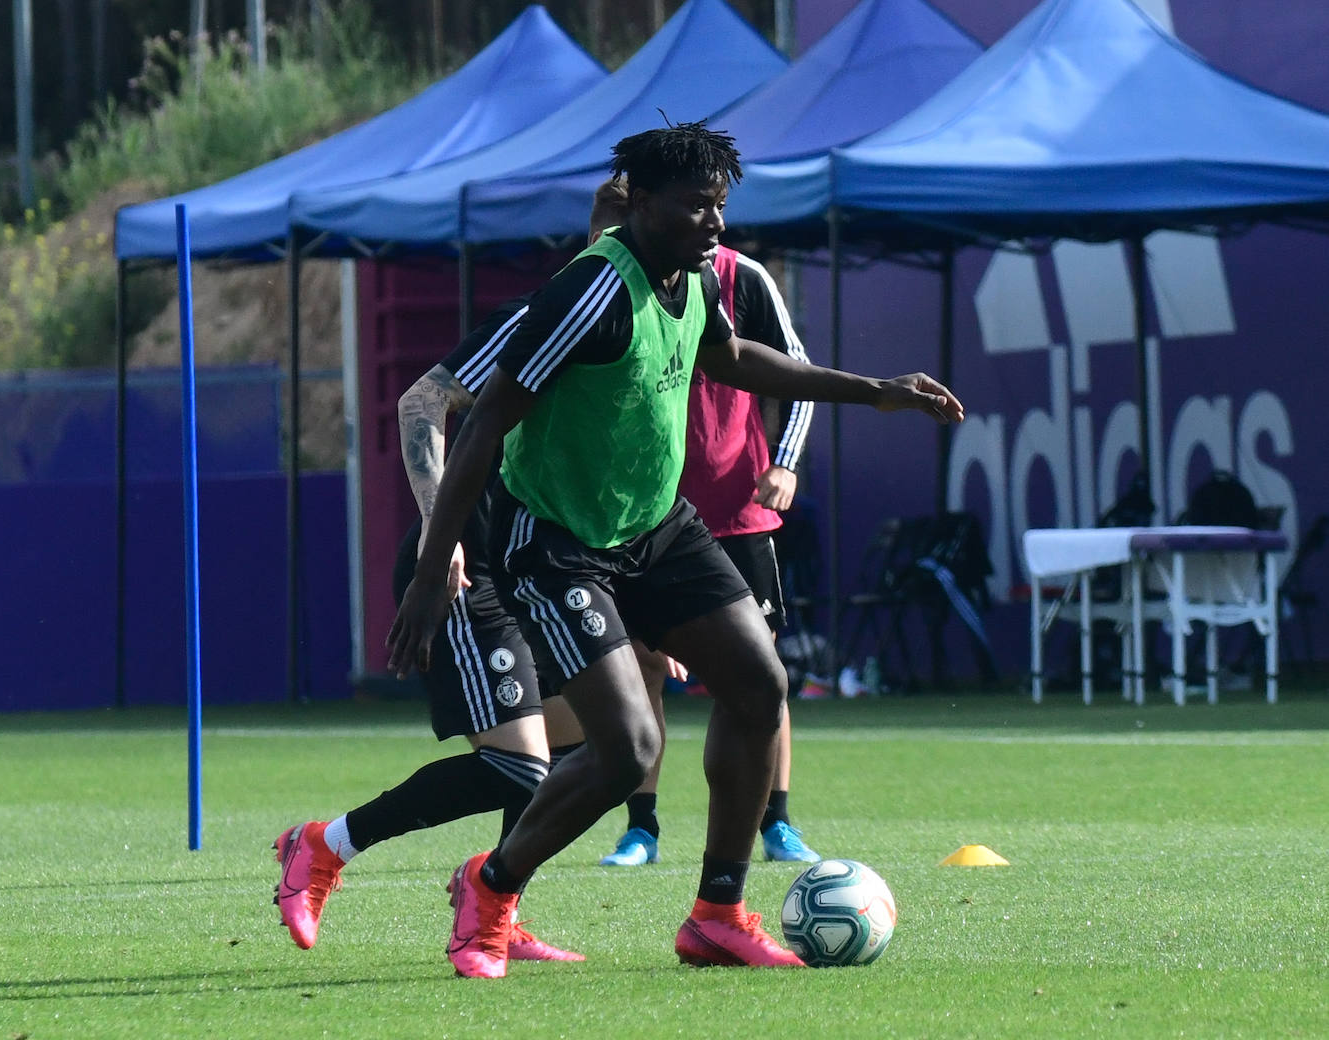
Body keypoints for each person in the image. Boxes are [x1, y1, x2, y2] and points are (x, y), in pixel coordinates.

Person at [388, 120, 963, 978]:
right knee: (628, 751)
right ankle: (492, 888)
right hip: (557, 543)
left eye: (722, 205)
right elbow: (477, 432)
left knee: (760, 684)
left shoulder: (691, 278)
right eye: (698, 205)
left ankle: (718, 914)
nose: (716, 223)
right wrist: (433, 574)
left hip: (655, 525)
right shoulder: (589, 292)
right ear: (645, 202)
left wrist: (875, 391)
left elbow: (733, 359)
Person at [271, 289, 593, 962]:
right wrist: (441, 533)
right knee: (520, 768)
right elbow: (421, 401)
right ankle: (326, 845)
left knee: (589, 748)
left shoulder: (658, 326)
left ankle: (499, 906)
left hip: (545, 573)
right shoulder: (553, 313)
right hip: (467, 573)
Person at [589, 177, 821, 868]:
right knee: (644, 669)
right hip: (640, 519)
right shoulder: (603, 284)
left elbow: (796, 370)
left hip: (733, 515)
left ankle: (774, 823)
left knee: (758, 672)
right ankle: (642, 828)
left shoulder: (738, 278)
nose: (708, 223)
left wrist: (785, 461)